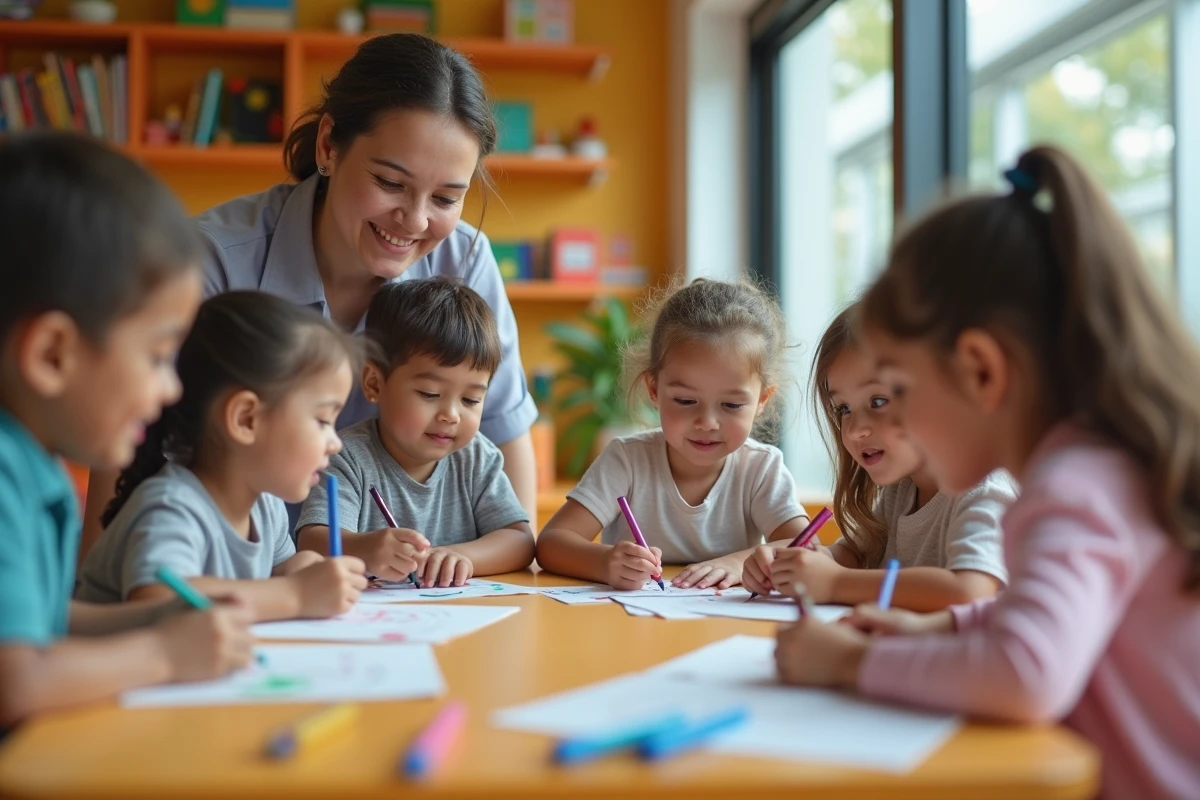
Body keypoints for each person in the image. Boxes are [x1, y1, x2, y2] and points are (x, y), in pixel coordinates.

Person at [773, 145, 1200, 799]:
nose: (895, 423)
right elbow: (1058, 618)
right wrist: (942, 628)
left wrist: (855, 662)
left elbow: (1028, 674)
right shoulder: (1103, 468)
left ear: (979, 371)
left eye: (899, 392)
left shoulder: (1071, 489)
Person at [81, 32, 539, 557]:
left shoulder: (464, 261)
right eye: (390, 183)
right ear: (329, 145)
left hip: (407, 596)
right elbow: (124, 444)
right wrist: (103, 589)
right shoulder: (211, 262)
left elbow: (504, 436)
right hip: (233, 579)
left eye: (444, 197)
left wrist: (506, 574)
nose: (414, 220)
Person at [0, 133, 252, 726]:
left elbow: (45, 625)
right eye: (160, 356)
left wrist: (154, 619)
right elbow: (14, 679)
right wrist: (164, 653)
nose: (171, 390)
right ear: (53, 355)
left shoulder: (38, 465)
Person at [77, 292, 368, 620]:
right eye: (322, 421)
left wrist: (299, 570)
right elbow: (155, 598)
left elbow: (276, 573)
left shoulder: (264, 505)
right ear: (247, 419)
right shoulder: (172, 506)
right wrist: (296, 594)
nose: (336, 443)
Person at [537, 279, 811, 590]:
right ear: (654, 390)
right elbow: (551, 543)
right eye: (685, 401)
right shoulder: (627, 460)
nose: (707, 422)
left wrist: (739, 562)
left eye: (732, 404)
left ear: (762, 400)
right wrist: (605, 563)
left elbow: (803, 545)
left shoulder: (761, 468)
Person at [743, 303, 1011, 611]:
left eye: (878, 401)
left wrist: (833, 582)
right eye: (843, 408)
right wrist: (805, 562)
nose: (855, 430)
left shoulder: (985, 488)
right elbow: (855, 555)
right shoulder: (901, 490)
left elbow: (970, 591)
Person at [297, 278, 534, 586]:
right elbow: (311, 541)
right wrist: (367, 549)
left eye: (471, 400)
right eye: (429, 394)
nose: (451, 415)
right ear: (374, 383)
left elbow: (520, 541)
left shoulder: (476, 457)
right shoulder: (346, 457)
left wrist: (456, 556)